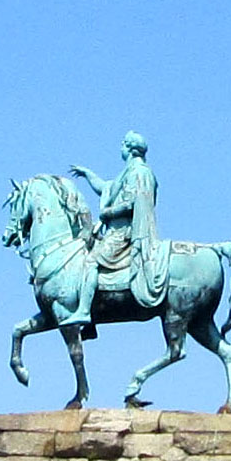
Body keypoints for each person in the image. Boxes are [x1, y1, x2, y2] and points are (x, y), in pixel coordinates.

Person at [69, 131, 170, 326]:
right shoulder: (128, 172)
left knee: (89, 262)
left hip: (123, 233)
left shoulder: (138, 172)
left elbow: (132, 203)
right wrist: (88, 174)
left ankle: (83, 311)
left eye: (123, 144)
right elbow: (106, 187)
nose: (120, 148)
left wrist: (108, 213)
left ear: (130, 149)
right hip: (117, 231)